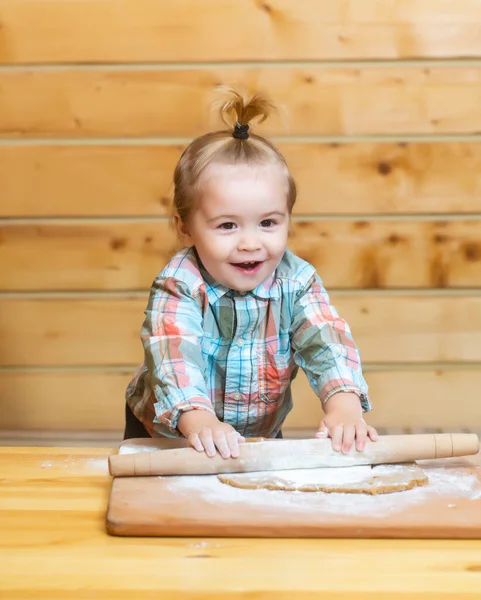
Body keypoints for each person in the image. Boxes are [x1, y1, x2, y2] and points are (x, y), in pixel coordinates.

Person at [124, 87, 378, 459]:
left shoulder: (296, 282)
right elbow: (173, 355)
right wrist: (198, 419)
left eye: (268, 223)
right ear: (185, 227)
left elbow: (327, 342)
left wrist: (344, 406)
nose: (250, 243)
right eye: (227, 226)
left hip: (259, 433)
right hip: (171, 429)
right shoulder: (180, 284)